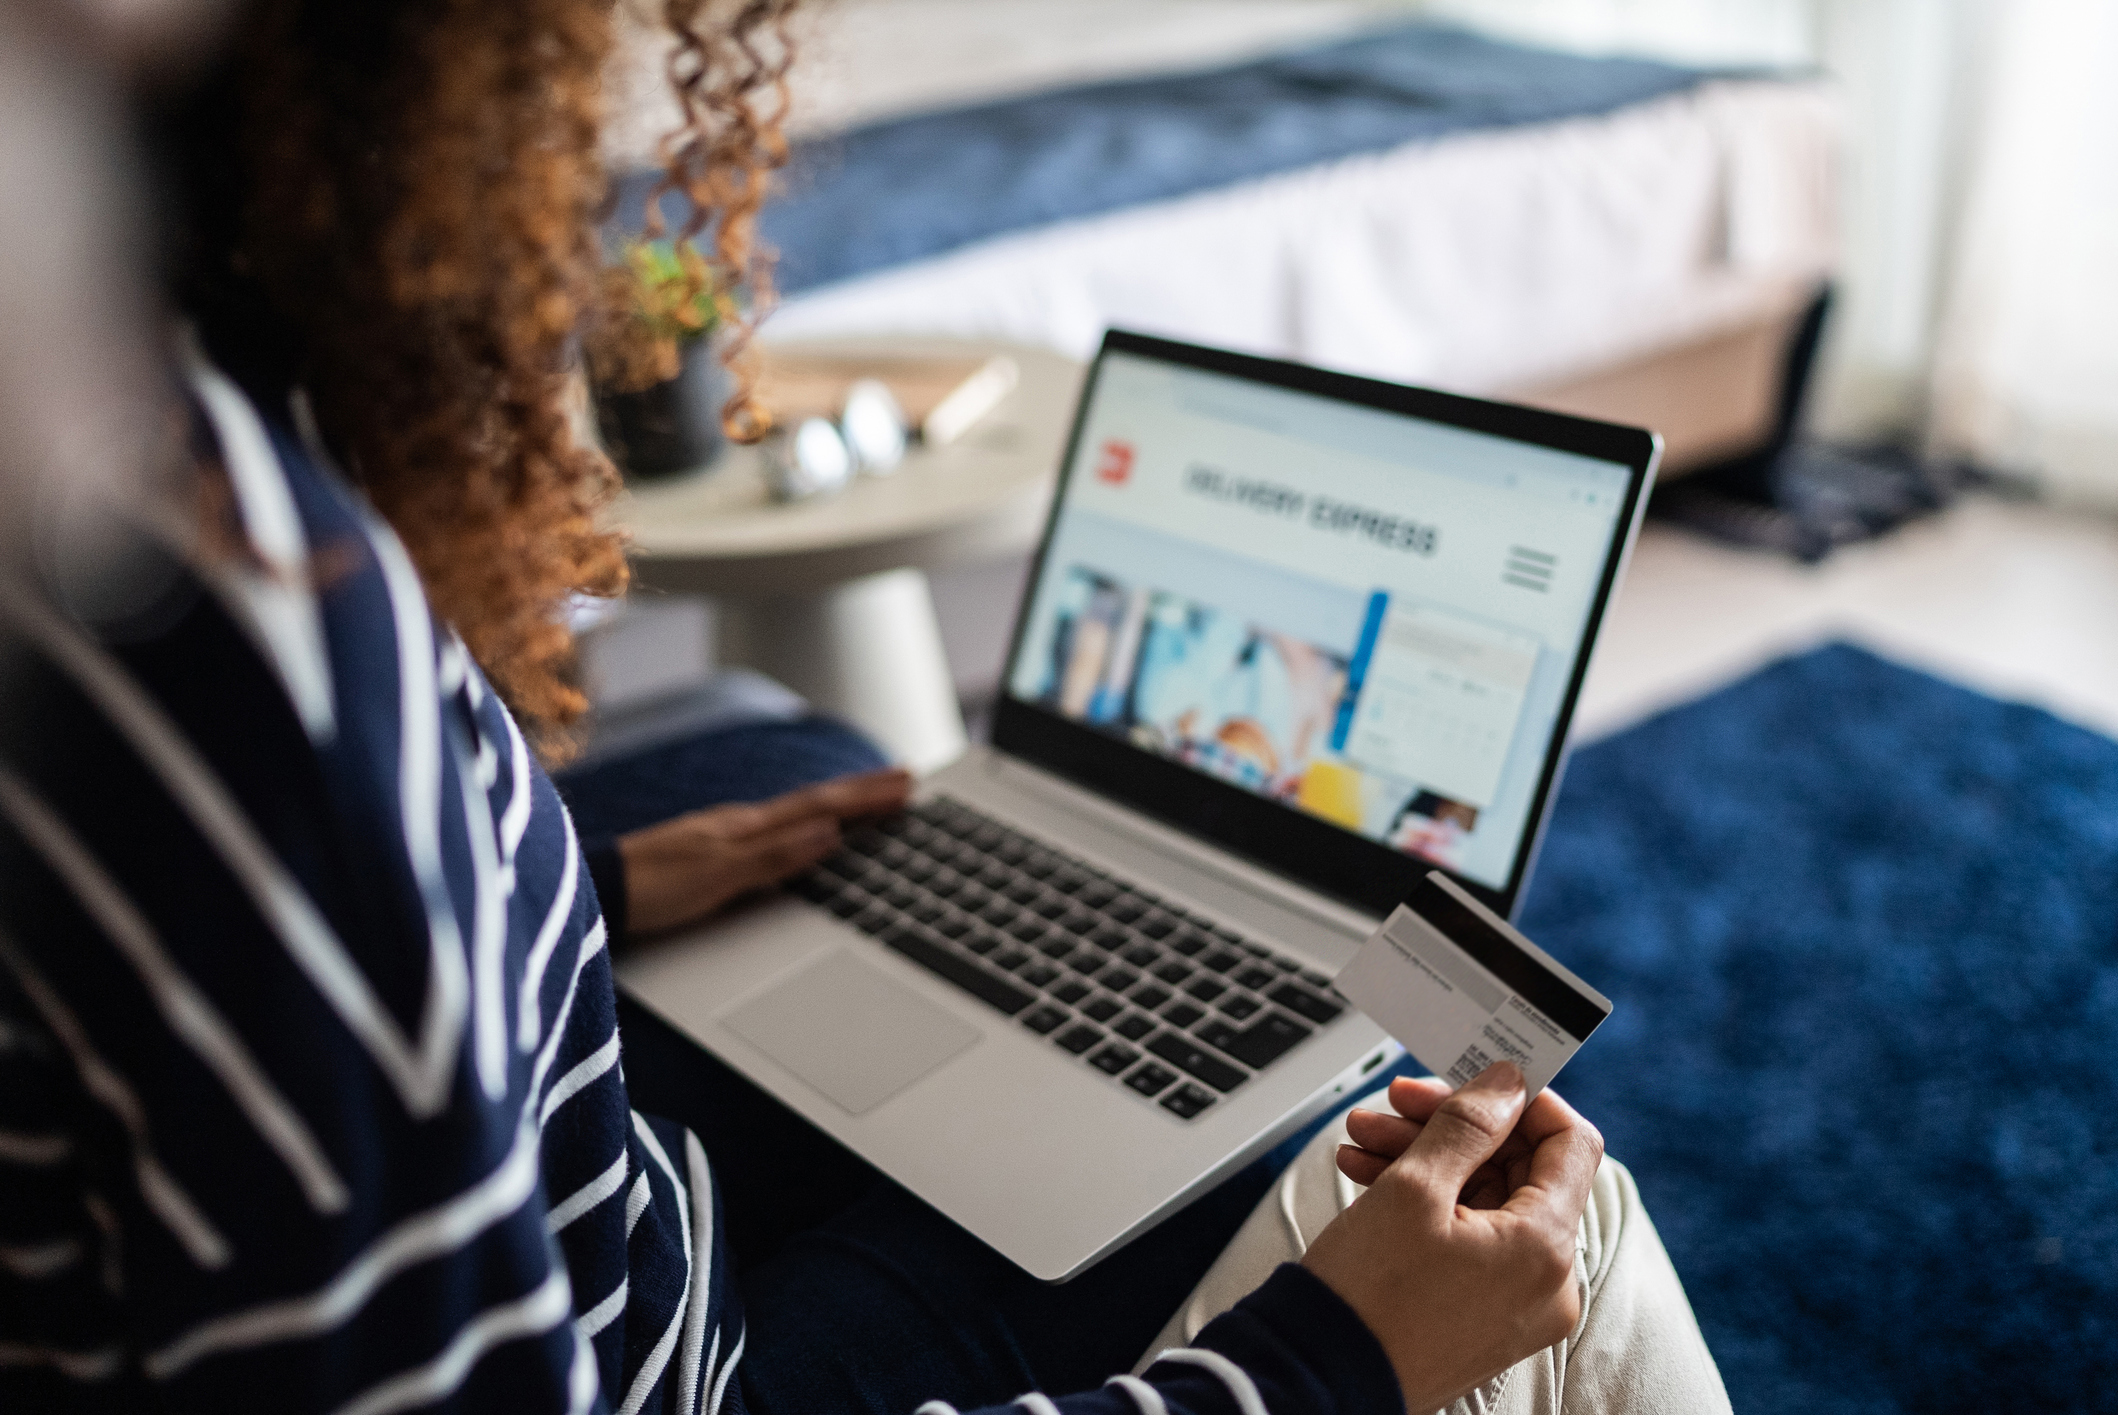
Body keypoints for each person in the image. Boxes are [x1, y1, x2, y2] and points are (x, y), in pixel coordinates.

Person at [0, 2, 1731, 1412]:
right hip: (687, 1370)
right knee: (1430, 1158)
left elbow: (257, 1020)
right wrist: (1325, 1361)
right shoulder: (228, 623)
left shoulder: (148, 507)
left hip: (588, 1193)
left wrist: (566, 900)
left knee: (826, 773)